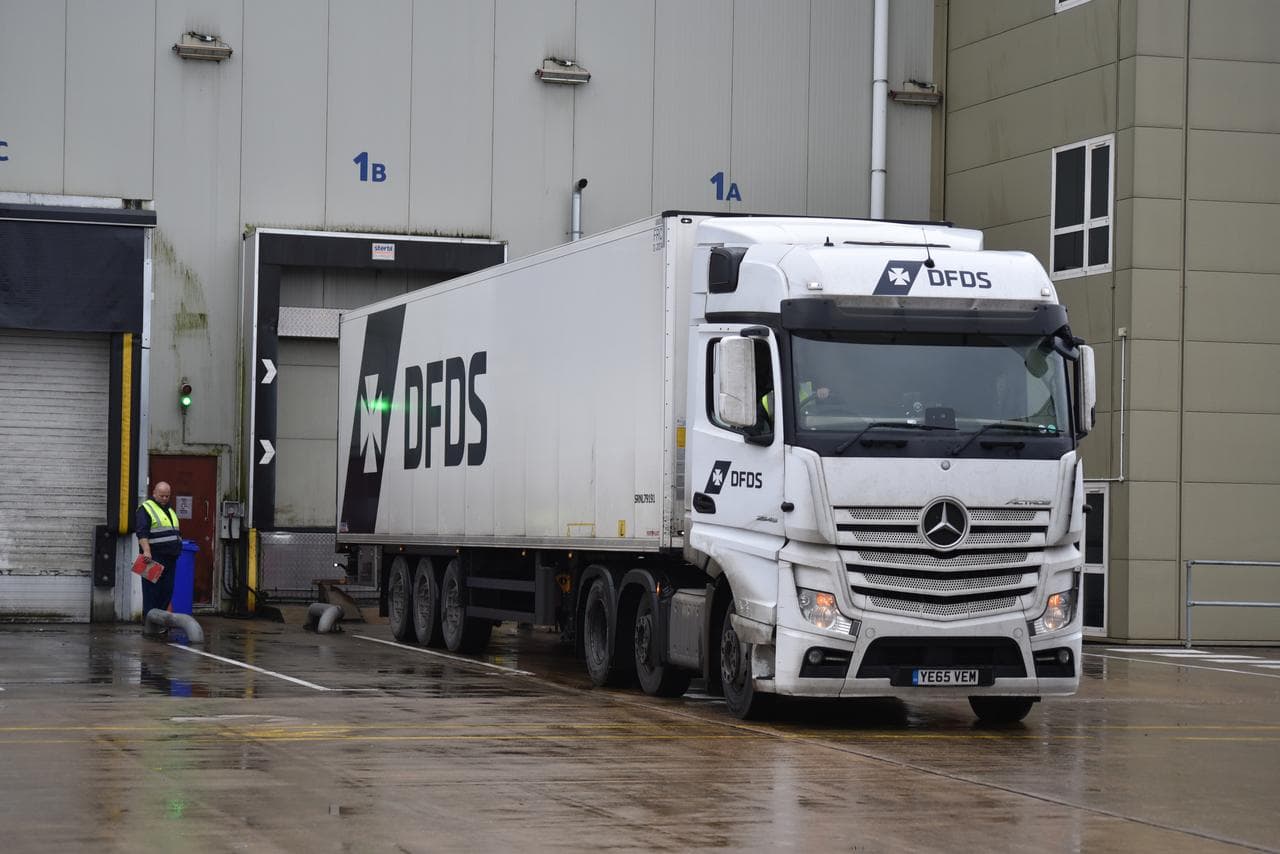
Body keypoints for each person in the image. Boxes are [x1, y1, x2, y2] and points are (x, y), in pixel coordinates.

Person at [136, 481, 182, 620]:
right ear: (154, 493)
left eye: (167, 496)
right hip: (152, 558)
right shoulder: (145, 508)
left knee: (166, 592)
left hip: (170, 558)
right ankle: (150, 624)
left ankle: (160, 623)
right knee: (151, 593)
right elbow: (142, 533)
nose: (164, 499)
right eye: (161, 496)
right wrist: (146, 551)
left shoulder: (170, 510)